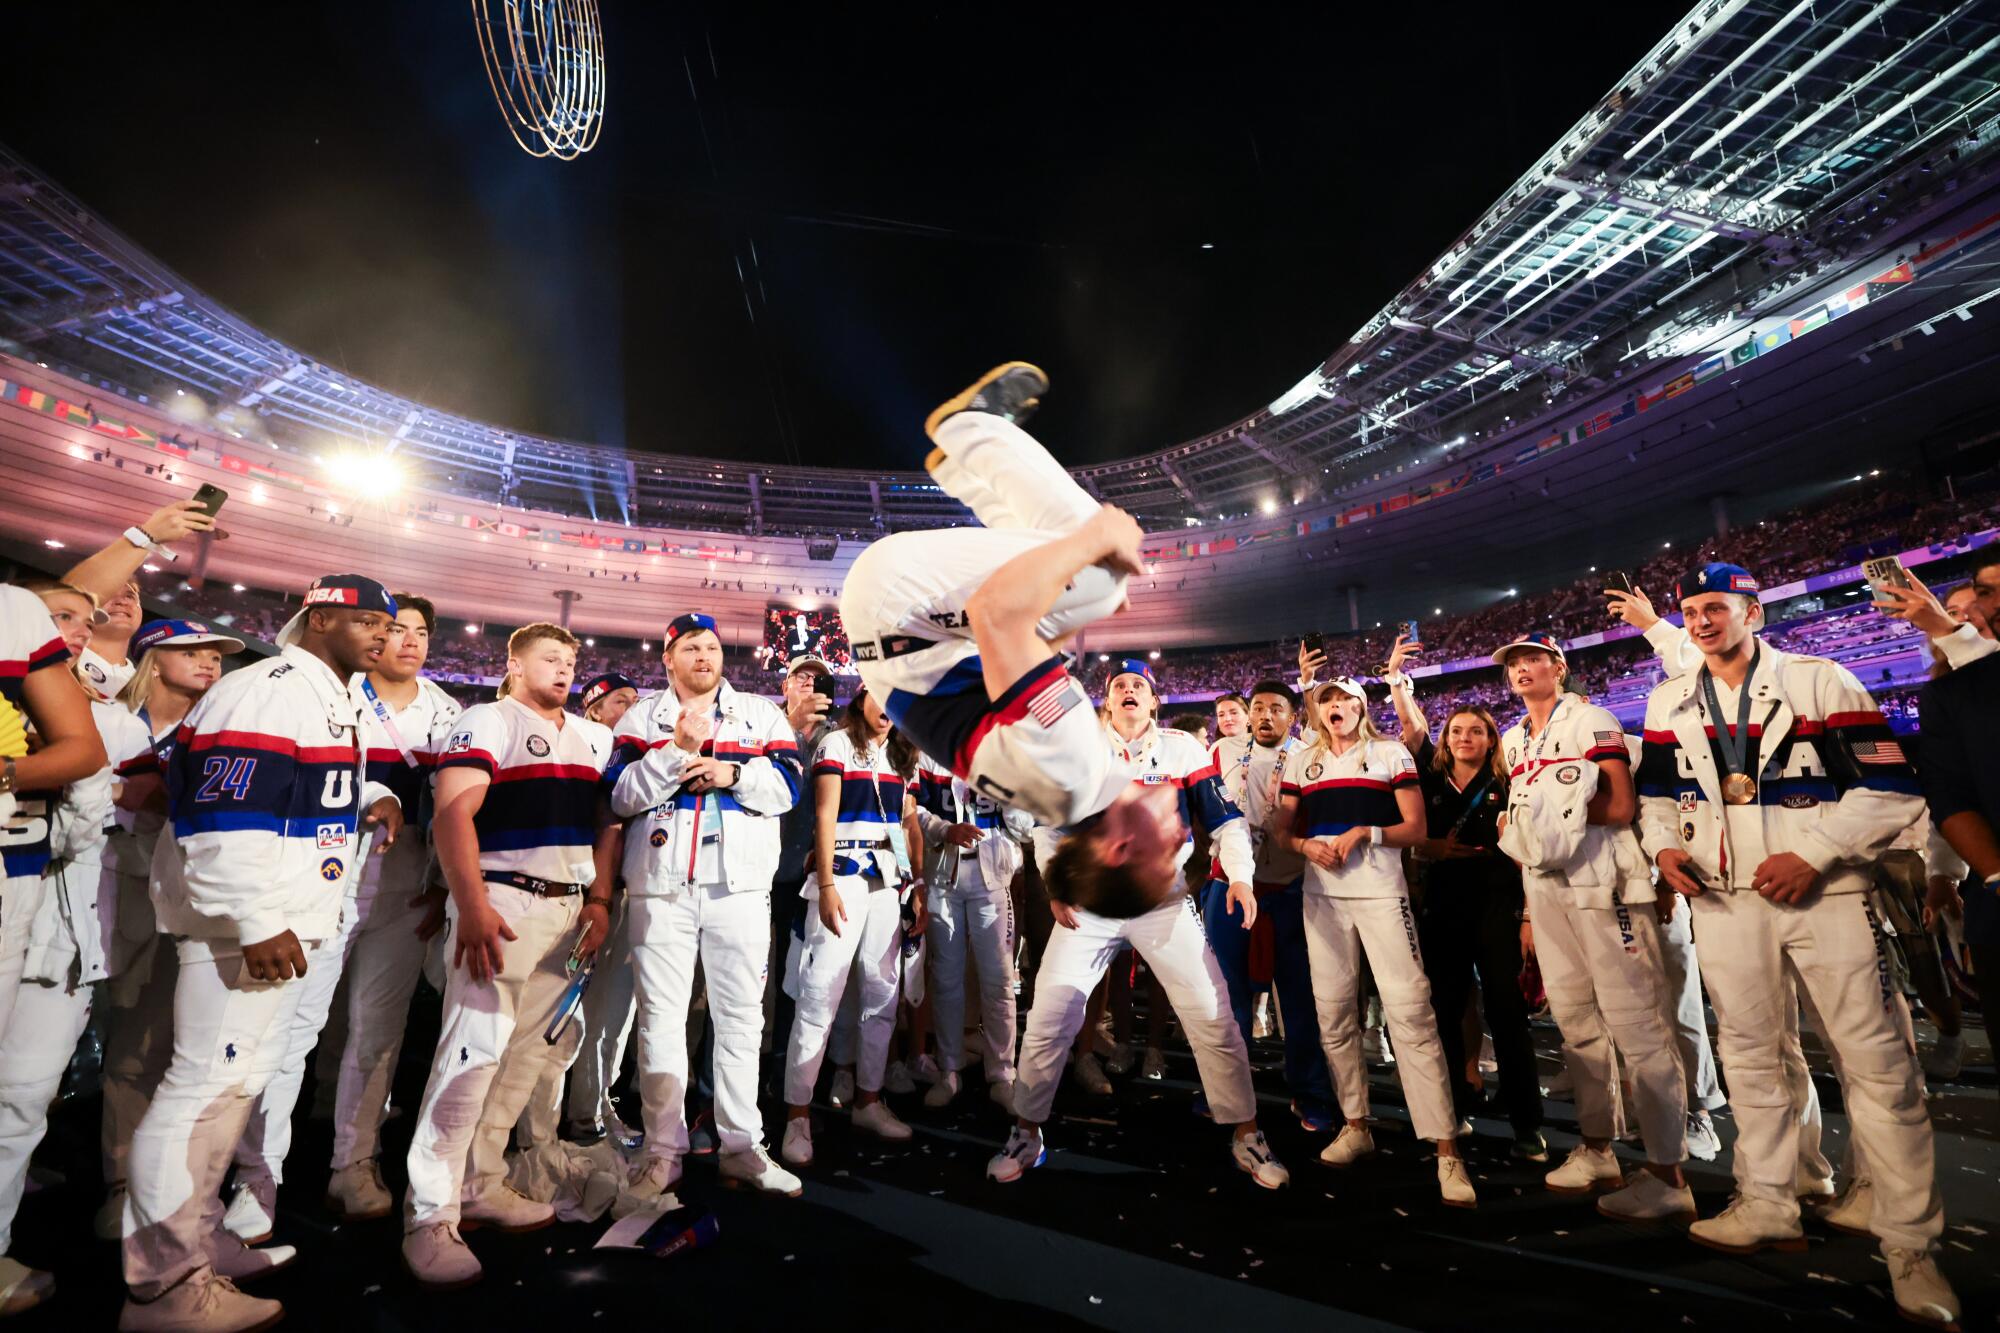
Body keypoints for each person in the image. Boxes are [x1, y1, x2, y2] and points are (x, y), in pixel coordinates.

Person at [837, 363, 1285, 1190]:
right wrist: (1076, 587)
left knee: (1099, 559)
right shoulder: (1077, 794)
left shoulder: (1077, 767)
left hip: (904, 615)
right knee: (1096, 583)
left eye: (1162, 853)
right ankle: (967, 454)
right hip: (914, 653)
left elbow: (996, 612)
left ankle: (969, 434)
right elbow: (1009, 631)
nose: (1174, 838)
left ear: (1118, 850)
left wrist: (1092, 541)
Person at [1638, 563, 1957, 1329]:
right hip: (1722, 900)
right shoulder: (1666, 698)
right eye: (1691, 610)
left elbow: (1894, 788)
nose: (1703, 621)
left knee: (1877, 1062)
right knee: (1750, 1054)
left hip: (1825, 896)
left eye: (1716, 607)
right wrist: (1661, 851)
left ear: (1752, 610)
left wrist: (1813, 852)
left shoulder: (1822, 679)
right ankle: (1770, 1199)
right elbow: (1656, 797)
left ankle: (1910, 1244)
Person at [121, 574, 402, 1333]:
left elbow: (297, 783)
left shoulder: (323, 690)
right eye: (363, 620)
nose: (380, 633)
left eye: (388, 622)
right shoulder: (273, 685)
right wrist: (252, 916)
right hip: (248, 923)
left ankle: (199, 1236)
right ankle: (162, 1285)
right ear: (315, 619)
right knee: (201, 1091)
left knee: (231, 1089)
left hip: (288, 915)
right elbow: (220, 804)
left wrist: (374, 791)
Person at [401, 622, 615, 1287]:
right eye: (550, 657)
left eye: (572, 659)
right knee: (470, 1054)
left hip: (567, 904)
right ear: (514, 663)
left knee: (529, 1054)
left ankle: (480, 1181)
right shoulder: (487, 718)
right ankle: (427, 1211)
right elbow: (451, 814)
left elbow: (607, 819)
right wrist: (469, 901)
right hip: (503, 898)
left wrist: (601, 898)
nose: (565, 668)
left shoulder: (590, 736)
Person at [1492, 629, 1692, 1223]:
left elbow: (1621, 805)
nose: (1522, 670)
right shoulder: (1512, 738)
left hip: (1603, 885)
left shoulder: (1592, 718)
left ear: (1558, 666)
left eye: (1533, 660)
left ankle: (1667, 1171)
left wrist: (1555, 832)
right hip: (1546, 891)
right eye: (1514, 664)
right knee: (1575, 1022)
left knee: (1638, 1026)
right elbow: (1525, 824)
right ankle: (1599, 1147)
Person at [604, 613, 804, 1200]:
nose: (704, 656)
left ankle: (742, 1146)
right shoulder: (642, 717)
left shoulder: (762, 714)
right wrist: (674, 753)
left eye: (712, 647)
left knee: (742, 1016)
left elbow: (789, 789)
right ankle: (664, 1150)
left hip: (738, 886)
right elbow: (619, 797)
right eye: (690, 648)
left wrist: (732, 771)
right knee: (661, 1019)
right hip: (660, 885)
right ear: (668, 659)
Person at [1275, 678, 1474, 1207]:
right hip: (1322, 900)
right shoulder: (1301, 762)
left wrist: (1366, 831)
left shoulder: (1387, 753)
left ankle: (1446, 1147)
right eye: (1326, 701)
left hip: (1383, 896)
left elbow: (1415, 826)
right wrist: (1301, 844)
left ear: (1361, 706)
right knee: (1334, 1013)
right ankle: (1356, 1124)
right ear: (1317, 712)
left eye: (1344, 699)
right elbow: (1280, 830)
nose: (1335, 707)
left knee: (1411, 1012)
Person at [95, 621, 244, 1241]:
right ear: (153, 660)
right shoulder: (107, 721)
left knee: (146, 1045)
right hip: (93, 892)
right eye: (192, 651)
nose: (209, 662)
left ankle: (131, 1187)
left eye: (215, 654)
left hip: (177, 904)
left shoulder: (227, 729)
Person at [321, 593, 463, 1222]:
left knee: (377, 1032)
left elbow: (456, 814)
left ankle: (353, 1163)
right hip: (324, 880)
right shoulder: (335, 693)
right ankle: (256, 1168)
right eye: (396, 629)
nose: (409, 641)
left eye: (421, 632)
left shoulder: (449, 711)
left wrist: (442, 886)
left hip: (407, 888)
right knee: (298, 1029)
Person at [0, 583, 116, 1316]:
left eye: (81, 618)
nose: (67, 629)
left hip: (63, 928)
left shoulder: (105, 713)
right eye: (56, 615)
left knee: (23, 1098)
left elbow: (82, 830)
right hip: (24, 899)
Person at [780, 690, 926, 1162]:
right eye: (879, 697)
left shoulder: (903, 753)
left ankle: (869, 1099)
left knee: (883, 995)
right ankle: (797, 1116)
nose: (887, 709)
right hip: (842, 878)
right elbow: (823, 815)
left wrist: (914, 884)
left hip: (887, 883)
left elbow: (903, 823)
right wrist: (824, 884)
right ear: (861, 700)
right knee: (820, 994)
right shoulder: (837, 744)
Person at [1406, 702, 1546, 1161]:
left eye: (1476, 731)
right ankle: (1454, 1109)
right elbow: (1408, 838)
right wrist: (1426, 847)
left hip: (1499, 907)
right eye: (1456, 731)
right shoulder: (1427, 784)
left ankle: (1527, 1124)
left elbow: (1529, 855)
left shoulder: (1511, 784)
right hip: (1444, 909)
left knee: (1507, 1014)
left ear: (1491, 740)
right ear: (1445, 741)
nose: (1465, 738)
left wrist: (1528, 917)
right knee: (1445, 1012)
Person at [1204, 678, 1337, 1131]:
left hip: (1289, 889)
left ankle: (1310, 1092)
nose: (1265, 716)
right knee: (1227, 995)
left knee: (1298, 999)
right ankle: (1229, 1092)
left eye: (1275, 708)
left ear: (1291, 716)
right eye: (1257, 707)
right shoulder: (1222, 752)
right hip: (1229, 886)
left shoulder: (1307, 754)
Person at [527, 669, 639, 1149]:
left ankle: (592, 1108)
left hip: (632, 893)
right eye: (620, 700)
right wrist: (598, 896)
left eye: (637, 698)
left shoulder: (644, 755)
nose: (632, 707)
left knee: (616, 1011)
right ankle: (538, 1124)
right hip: (585, 894)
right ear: (593, 709)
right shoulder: (583, 749)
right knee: (562, 1012)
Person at [913, 751, 1028, 1110]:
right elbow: (912, 808)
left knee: (998, 979)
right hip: (942, 875)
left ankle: (1003, 1072)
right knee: (946, 978)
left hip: (991, 876)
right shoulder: (929, 751)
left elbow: (1025, 826)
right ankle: (949, 1068)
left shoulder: (1003, 748)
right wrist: (946, 829)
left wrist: (1008, 794)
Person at [61, 500, 218, 699]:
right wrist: (147, 535)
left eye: (130, 595)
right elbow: (68, 597)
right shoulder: (59, 656)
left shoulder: (147, 691)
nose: (122, 602)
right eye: (110, 595)